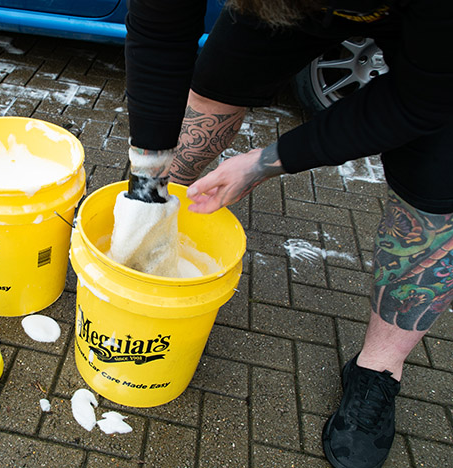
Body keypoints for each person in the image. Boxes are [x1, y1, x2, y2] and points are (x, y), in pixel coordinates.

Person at [124, 1, 453, 467]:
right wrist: (148, 179)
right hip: (288, 8)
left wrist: (268, 161)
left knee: (437, 195)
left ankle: (378, 371)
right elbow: (160, 36)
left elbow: (420, 100)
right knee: (215, 84)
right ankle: (148, 223)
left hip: (434, 50)